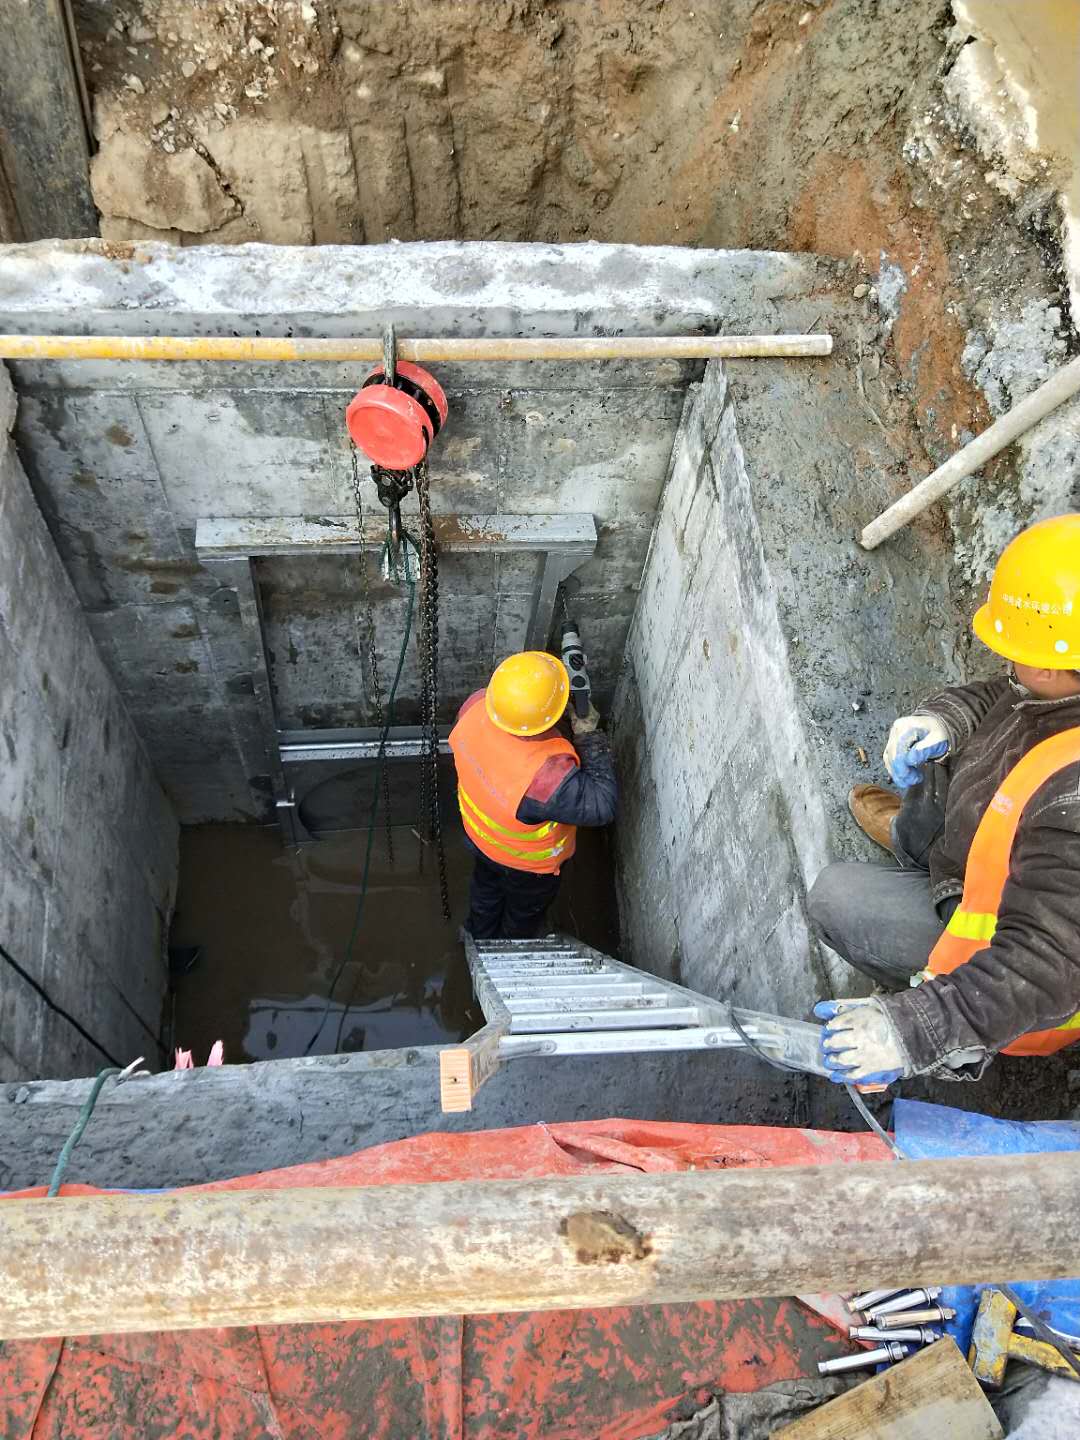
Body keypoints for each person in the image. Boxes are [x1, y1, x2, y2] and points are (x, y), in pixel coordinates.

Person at [807, 513, 1080, 1086]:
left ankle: (914, 980)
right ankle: (922, 847)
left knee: (836, 898)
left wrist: (915, 1029)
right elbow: (1002, 694)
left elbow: (1045, 965)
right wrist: (944, 720)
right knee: (934, 783)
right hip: (983, 846)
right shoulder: (1053, 684)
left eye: (1024, 652)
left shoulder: (1071, 809)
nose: (1010, 662)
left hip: (999, 955)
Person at [448, 650, 618, 940]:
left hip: (481, 840)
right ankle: (515, 945)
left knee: (486, 892)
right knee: (523, 912)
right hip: (526, 867)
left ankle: (475, 935)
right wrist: (588, 736)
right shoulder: (545, 777)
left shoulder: (476, 705)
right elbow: (602, 805)